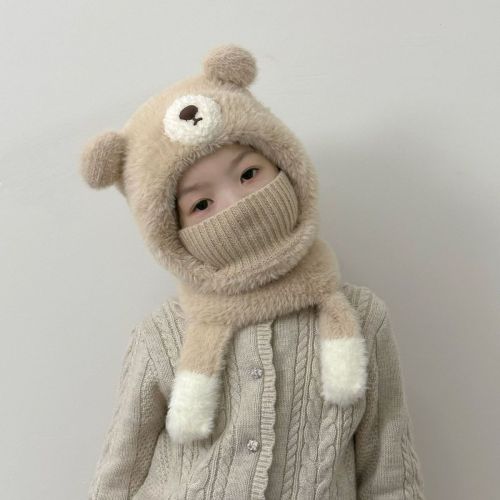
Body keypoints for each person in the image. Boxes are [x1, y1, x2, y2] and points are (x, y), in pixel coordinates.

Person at [81, 44, 426, 499]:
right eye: (201, 204)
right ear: (169, 233)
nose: (237, 206)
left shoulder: (361, 317)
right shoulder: (160, 336)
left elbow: (389, 470)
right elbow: (120, 472)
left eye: (248, 174)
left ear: (286, 164)